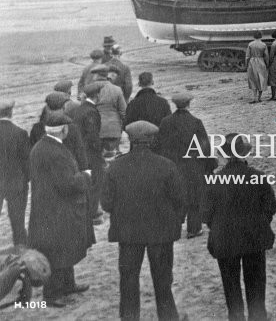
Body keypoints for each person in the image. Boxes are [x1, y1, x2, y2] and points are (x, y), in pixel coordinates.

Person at [103, 121, 186, 321]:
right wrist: (174, 221)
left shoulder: (115, 167)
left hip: (128, 233)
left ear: (130, 140)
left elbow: (106, 203)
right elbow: (180, 199)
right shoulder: (166, 165)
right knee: (163, 280)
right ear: (151, 140)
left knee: (129, 280)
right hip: (161, 232)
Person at [203, 133, 276, 321]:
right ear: (244, 153)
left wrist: (219, 226)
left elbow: (206, 214)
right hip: (254, 238)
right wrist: (259, 224)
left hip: (225, 239)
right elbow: (270, 208)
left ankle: (236, 317)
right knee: (256, 281)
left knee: (230, 284)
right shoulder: (257, 177)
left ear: (226, 155)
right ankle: (258, 315)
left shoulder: (215, 182)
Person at [28, 113, 94, 308]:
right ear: (63, 129)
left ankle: (68, 285)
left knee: (64, 247)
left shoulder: (42, 146)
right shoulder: (55, 152)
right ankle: (52, 294)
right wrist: (85, 176)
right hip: (57, 209)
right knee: (58, 251)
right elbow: (68, 184)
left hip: (47, 207)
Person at [158, 93, 217, 239]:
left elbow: (159, 144)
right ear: (188, 104)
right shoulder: (196, 122)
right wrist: (209, 165)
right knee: (193, 199)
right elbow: (204, 147)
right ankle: (194, 229)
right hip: (192, 166)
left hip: (171, 165)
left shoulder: (165, 122)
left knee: (173, 197)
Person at [70, 82, 106, 225]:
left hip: (80, 152)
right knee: (97, 182)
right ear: (97, 95)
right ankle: (92, 215)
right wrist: (100, 149)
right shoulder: (91, 111)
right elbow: (92, 136)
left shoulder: (81, 109)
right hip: (90, 154)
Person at [30, 92, 89, 172]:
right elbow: (80, 154)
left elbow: (32, 154)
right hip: (69, 172)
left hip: (46, 173)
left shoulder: (37, 128)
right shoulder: (72, 128)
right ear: (63, 107)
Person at [0, 100, 30, 247]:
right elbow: (27, 161)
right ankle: (20, 247)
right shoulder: (20, 133)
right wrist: (27, 179)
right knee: (17, 220)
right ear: (10, 113)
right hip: (16, 182)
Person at [91, 64, 127, 158]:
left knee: (97, 158)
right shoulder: (117, 89)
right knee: (112, 157)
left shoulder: (89, 89)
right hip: (113, 129)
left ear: (98, 75)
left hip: (95, 129)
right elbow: (123, 112)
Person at [246, 31, 269, 103]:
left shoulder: (250, 44)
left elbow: (247, 56)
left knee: (253, 79)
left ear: (254, 36)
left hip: (252, 62)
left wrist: (247, 64)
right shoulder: (263, 45)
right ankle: (259, 97)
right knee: (261, 79)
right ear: (261, 36)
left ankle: (254, 97)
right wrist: (267, 64)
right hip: (261, 61)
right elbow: (266, 56)